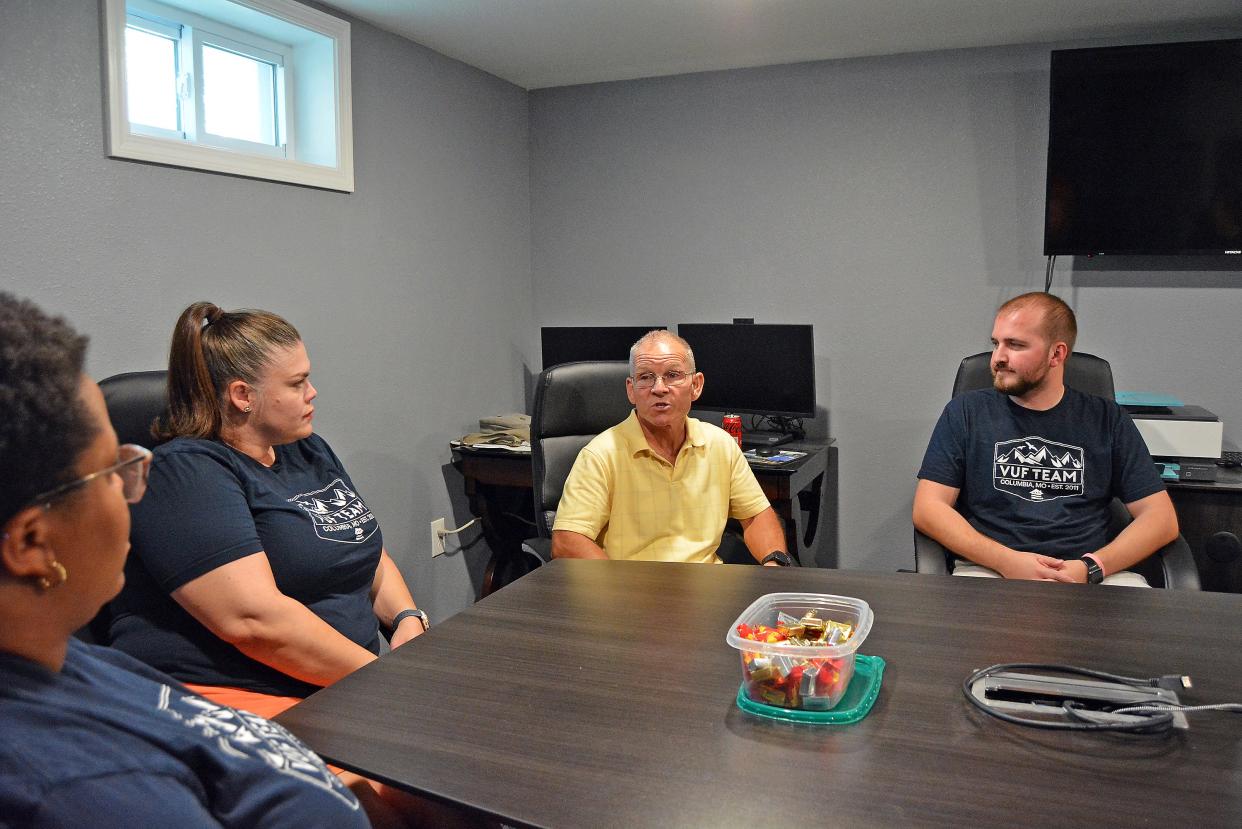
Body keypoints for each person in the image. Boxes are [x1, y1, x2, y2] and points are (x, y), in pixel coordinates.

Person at [0, 292, 371, 826]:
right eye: (112, 468)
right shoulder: (85, 788)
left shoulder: (81, 664)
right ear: (31, 544)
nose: (136, 486)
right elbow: (253, 621)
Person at [108, 302, 427, 718]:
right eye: (297, 383)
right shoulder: (185, 472)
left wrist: (407, 619)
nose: (312, 393)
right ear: (243, 395)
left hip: (343, 684)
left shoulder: (305, 447)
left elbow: (362, 546)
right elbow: (254, 622)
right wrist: (385, 682)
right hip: (236, 695)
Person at [913, 292, 1178, 585]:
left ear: (1057, 354)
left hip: (1088, 575)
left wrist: (1090, 568)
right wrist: (1005, 560)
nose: (998, 357)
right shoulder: (966, 412)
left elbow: (1161, 519)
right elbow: (928, 508)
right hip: (991, 570)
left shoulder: (1107, 419)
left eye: (1015, 345)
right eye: (996, 343)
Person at [551, 329, 793, 565]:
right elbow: (567, 541)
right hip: (633, 592)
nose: (659, 388)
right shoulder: (601, 455)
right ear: (630, 390)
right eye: (646, 377)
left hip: (709, 591)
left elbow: (756, 516)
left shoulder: (720, 445)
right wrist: (620, 593)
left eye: (673, 375)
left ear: (696, 385)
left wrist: (775, 564)